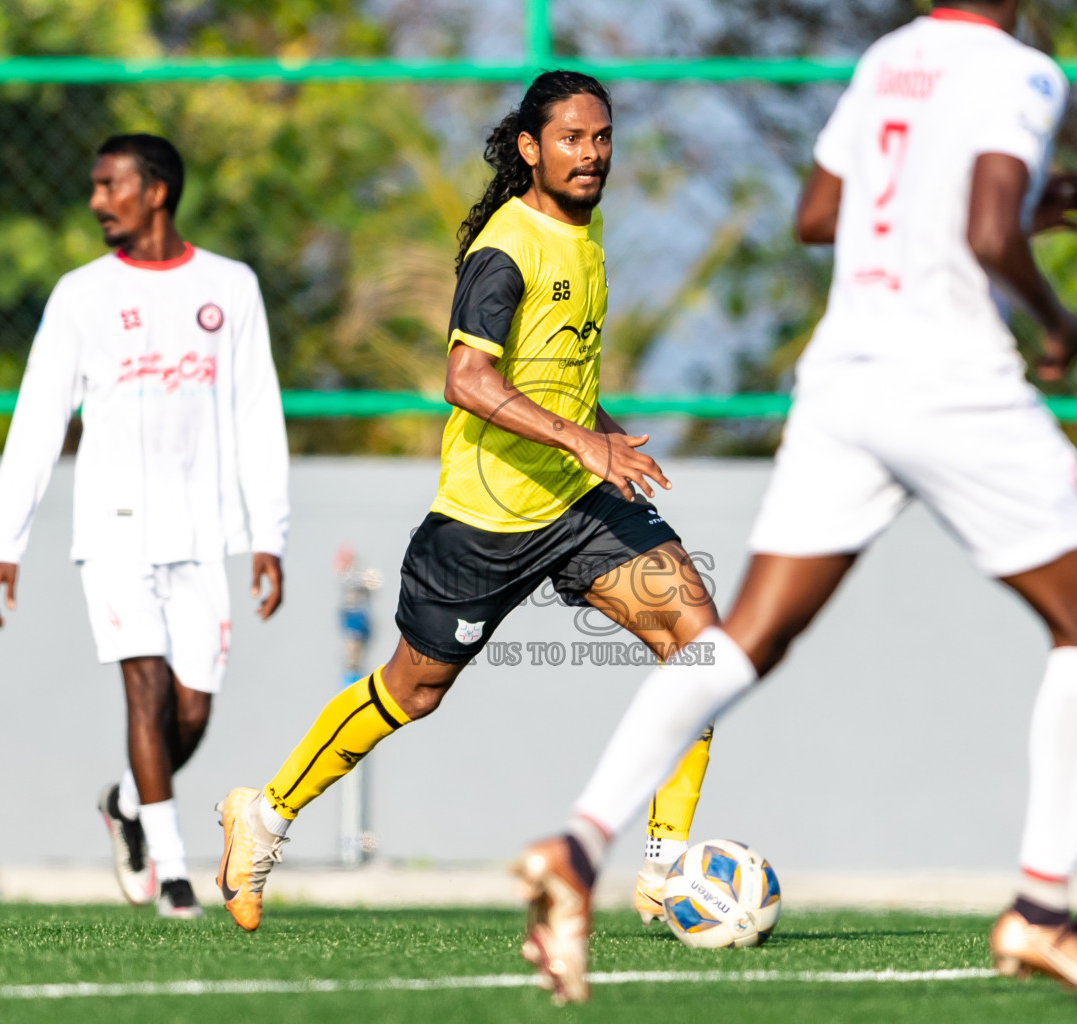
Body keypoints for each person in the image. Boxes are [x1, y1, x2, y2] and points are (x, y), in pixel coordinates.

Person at [516, 0, 1077, 1007]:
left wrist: (1009, 222)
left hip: (845, 380)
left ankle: (580, 840)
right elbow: (986, 227)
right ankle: (1042, 912)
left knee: (745, 639)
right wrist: (1056, 312)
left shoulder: (889, 58)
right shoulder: (1021, 71)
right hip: (952, 381)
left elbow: (821, 216)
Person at [213, 70, 720, 932]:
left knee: (702, 647)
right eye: (572, 138)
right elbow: (467, 378)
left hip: (579, 507)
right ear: (530, 148)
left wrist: (600, 431)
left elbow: (548, 370)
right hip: (484, 522)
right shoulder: (505, 248)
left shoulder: (588, 233)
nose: (592, 154)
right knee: (413, 693)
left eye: (602, 138)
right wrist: (579, 439)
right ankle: (262, 816)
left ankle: (666, 871)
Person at [0, 134, 289, 919]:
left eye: (108, 185)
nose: (95, 201)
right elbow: (36, 421)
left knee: (191, 711)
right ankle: (177, 872)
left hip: (202, 533)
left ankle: (125, 805)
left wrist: (269, 534)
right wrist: (3, 544)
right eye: (94, 186)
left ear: (155, 191)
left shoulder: (232, 287)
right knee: (144, 690)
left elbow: (259, 415)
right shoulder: (80, 295)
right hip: (113, 531)